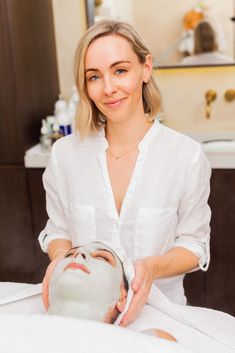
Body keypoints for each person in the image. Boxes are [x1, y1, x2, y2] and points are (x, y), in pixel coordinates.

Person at [39, 19, 211, 328]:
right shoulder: (65, 155)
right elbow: (59, 232)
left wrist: (153, 268)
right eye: (94, 76)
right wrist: (60, 260)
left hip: (160, 315)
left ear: (146, 68)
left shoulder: (185, 157)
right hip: (82, 318)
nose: (108, 89)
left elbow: (194, 245)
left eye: (120, 70)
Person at [45, 241, 176, 342]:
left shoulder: (148, 344)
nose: (78, 254)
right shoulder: (24, 328)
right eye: (69, 255)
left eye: (102, 257)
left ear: (122, 298)